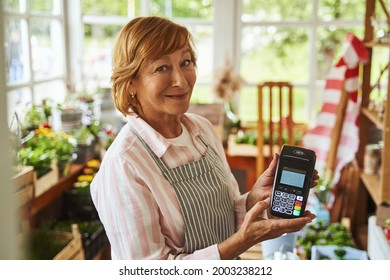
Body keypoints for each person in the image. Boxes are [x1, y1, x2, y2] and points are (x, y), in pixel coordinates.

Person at [90, 16, 318, 260]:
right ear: (131, 82)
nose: (181, 80)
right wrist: (242, 242)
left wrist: (253, 201)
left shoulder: (203, 130)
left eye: (186, 62)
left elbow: (225, 215)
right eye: (162, 68)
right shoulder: (124, 164)